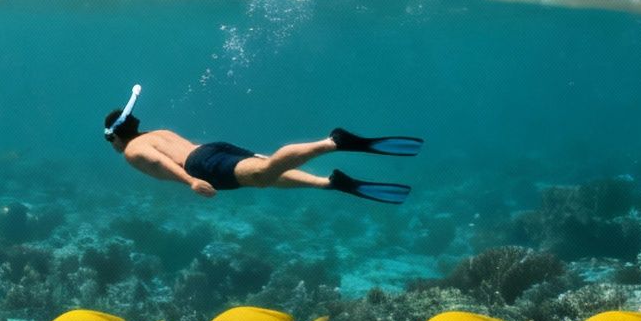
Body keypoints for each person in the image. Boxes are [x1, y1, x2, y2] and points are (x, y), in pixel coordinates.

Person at [101, 85, 420, 203]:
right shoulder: (157, 132)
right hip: (212, 150)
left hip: (201, 166)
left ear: (116, 135)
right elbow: (171, 151)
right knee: (266, 176)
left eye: (108, 140)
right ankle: (330, 183)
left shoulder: (132, 150)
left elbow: (159, 164)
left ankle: (333, 142)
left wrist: (191, 181)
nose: (111, 146)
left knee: (265, 172)